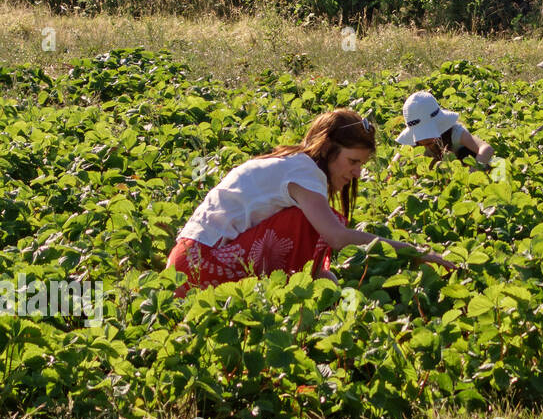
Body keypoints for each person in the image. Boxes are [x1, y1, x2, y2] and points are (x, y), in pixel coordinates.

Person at [167, 109, 456, 297]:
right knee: (316, 221)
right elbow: (336, 237)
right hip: (201, 265)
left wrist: (333, 289)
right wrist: (411, 251)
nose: (357, 173)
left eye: (361, 164)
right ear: (328, 149)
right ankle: (290, 296)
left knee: (315, 219)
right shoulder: (306, 173)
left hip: (184, 264)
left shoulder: (291, 164)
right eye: (352, 161)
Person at [396, 91, 494, 166]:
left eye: (428, 132)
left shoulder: (455, 132)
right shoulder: (411, 142)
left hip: (462, 173)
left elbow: (486, 149)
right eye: (420, 135)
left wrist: (472, 173)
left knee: (468, 154)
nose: (424, 139)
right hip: (435, 182)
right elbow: (393, 167)